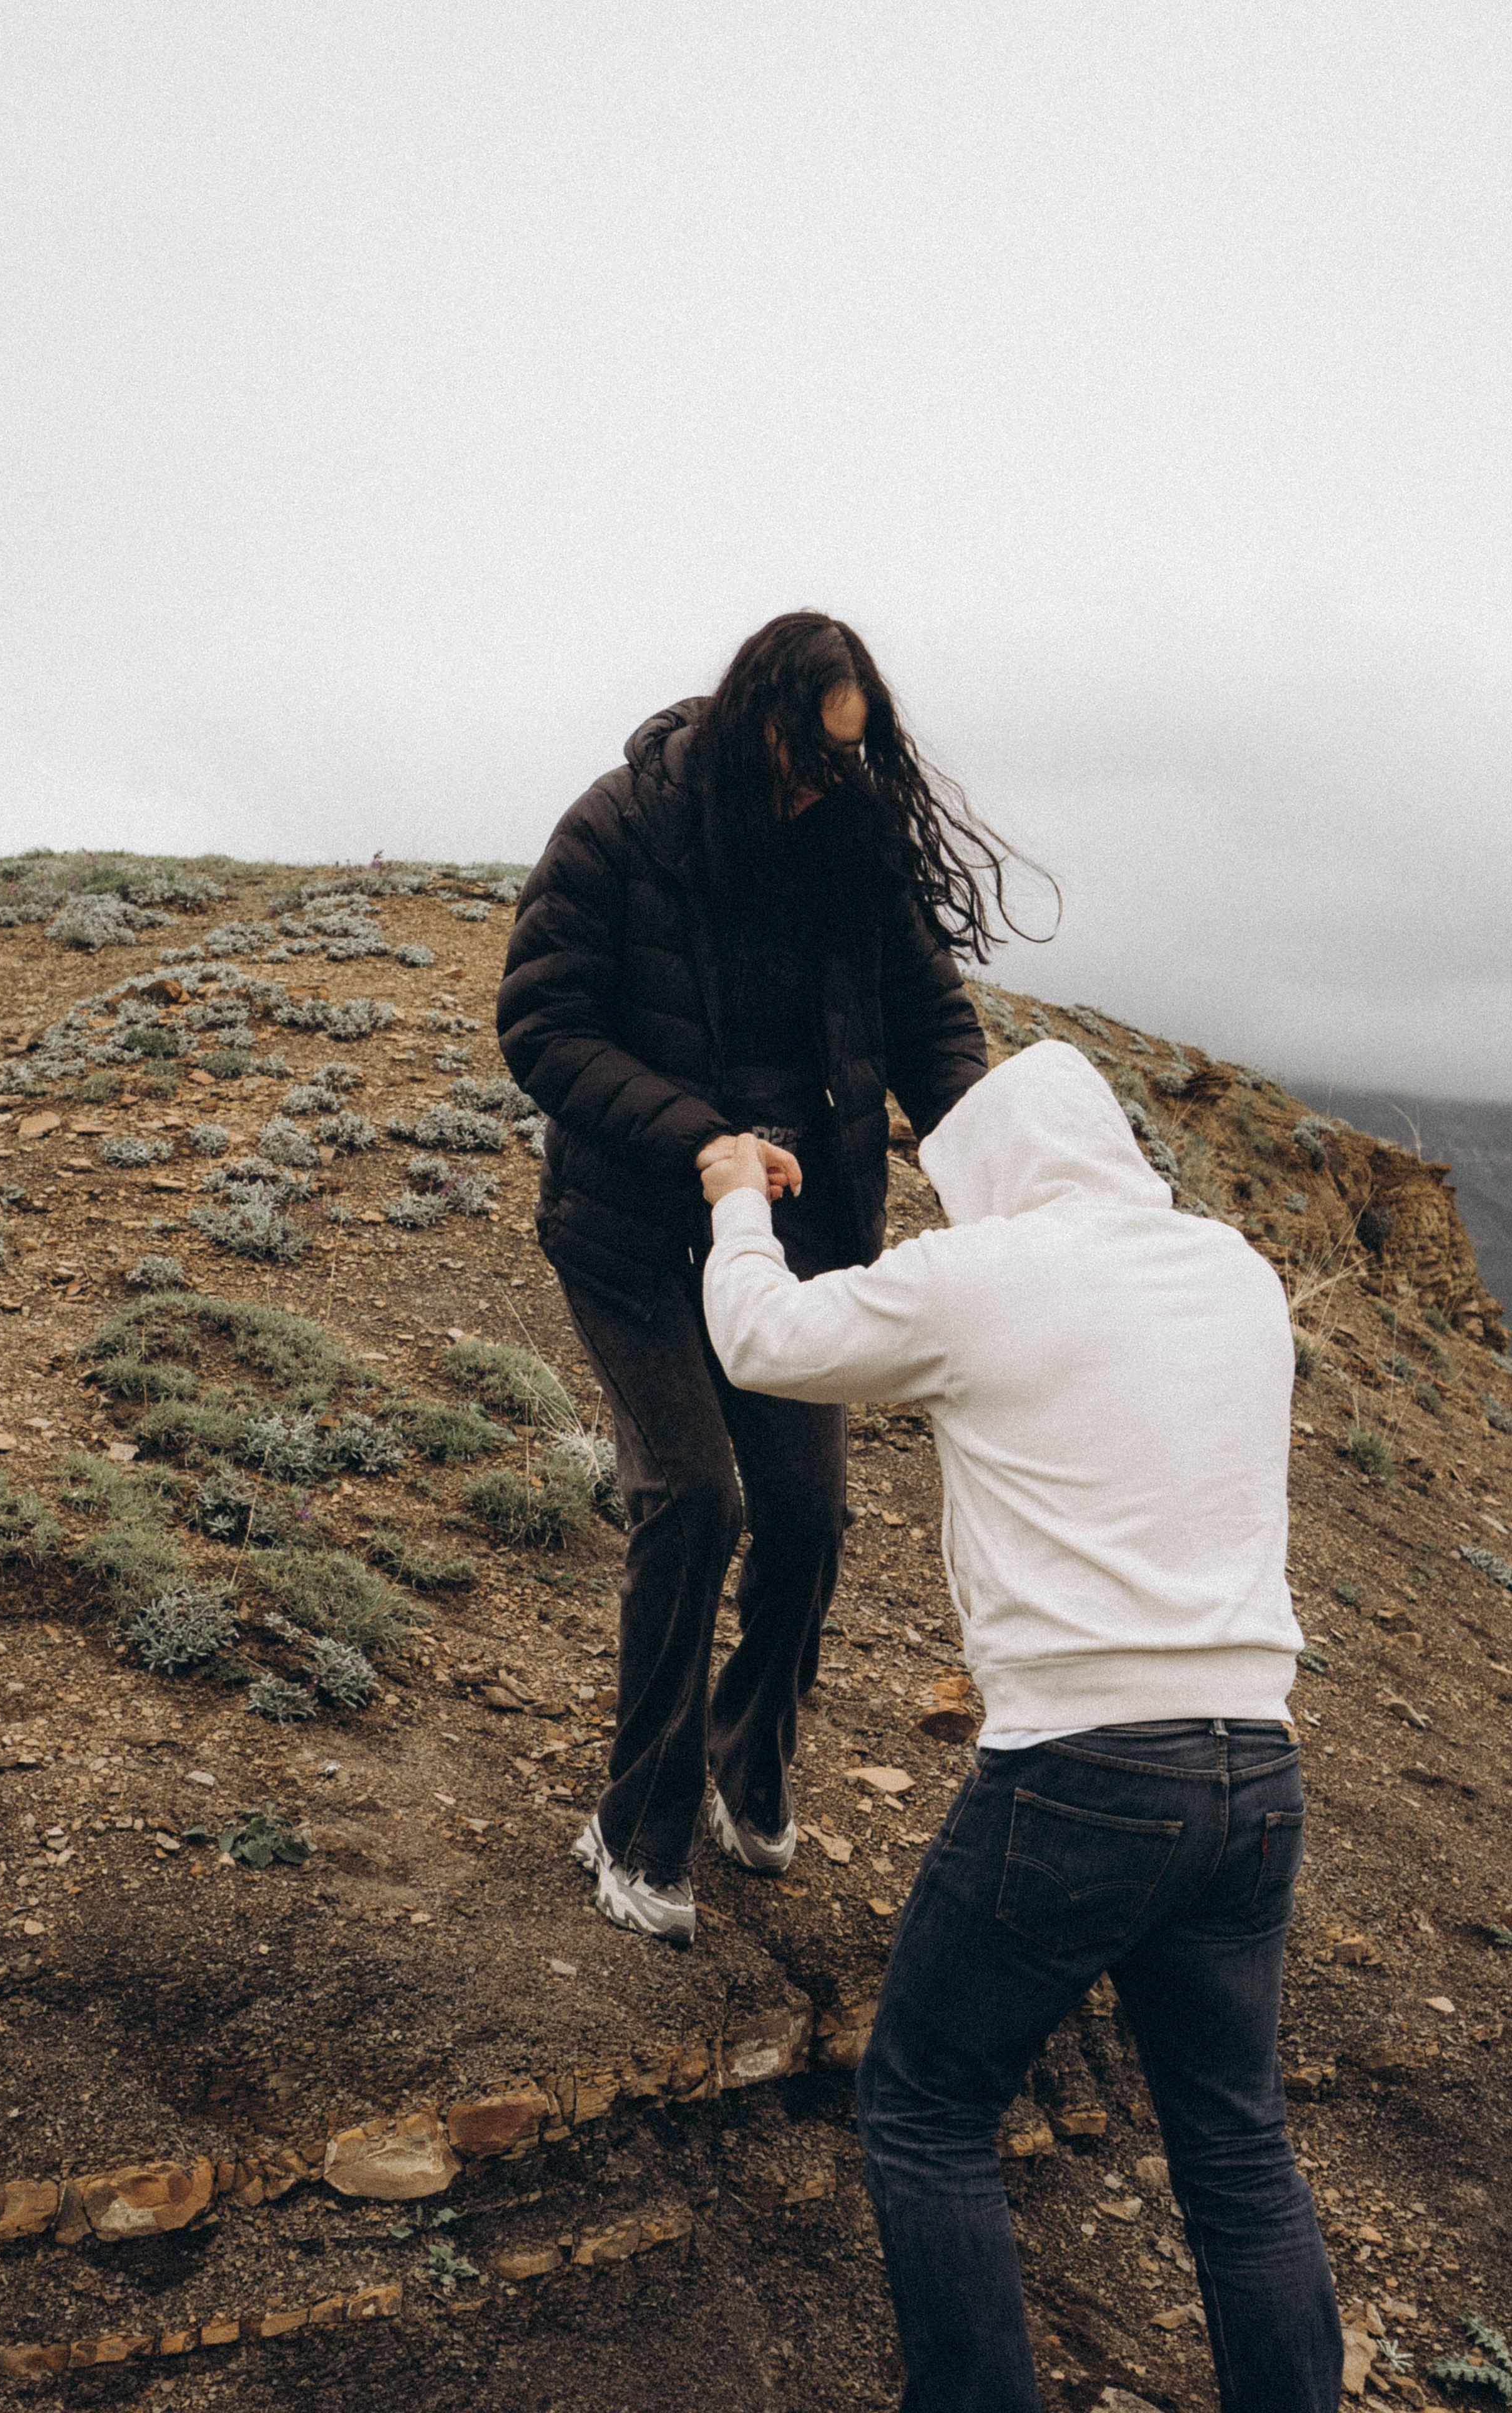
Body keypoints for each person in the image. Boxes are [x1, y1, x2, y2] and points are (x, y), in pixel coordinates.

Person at [699, 1039, 1342, 2413]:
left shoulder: (983, 1275)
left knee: (925, 2111)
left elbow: (761, 1343)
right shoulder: (1233, 1271)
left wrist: (736, 1201)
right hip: (1256, 1765)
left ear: (986, 1172)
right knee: (1236, 2148)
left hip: (1083, 1770)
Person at [496, 611, 1027, 1944]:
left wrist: (1001, 1170)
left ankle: (746, 1749)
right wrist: (698, 1144)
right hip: (633, 1227)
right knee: (690, 1497)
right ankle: (634, 1826)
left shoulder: (850, 844)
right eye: (801, 756)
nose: (814, 784)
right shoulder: (620, 827)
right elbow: (541, 1021)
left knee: (806, 1523)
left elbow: (929, 1024)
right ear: (752, 723)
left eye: (841, 761)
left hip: (798, 1244)